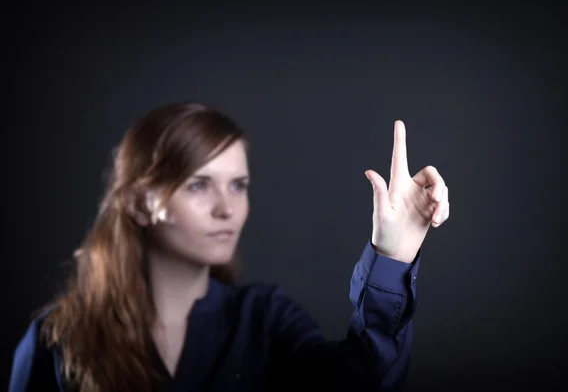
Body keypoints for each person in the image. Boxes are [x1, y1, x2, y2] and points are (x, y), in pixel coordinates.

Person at [8, 102, 450, 392]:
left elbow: (361, 383)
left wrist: (393, 257)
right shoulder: (59, 338)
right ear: (139, 204)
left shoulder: (263, 319)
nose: (227, 208)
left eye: (238, 185)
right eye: (199, 185)